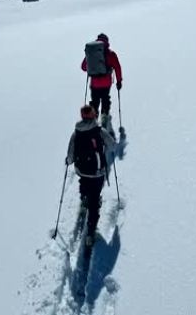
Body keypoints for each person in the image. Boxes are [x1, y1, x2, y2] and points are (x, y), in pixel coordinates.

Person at [66, 105, 117, 246]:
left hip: (81, 170)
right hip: (97, 172)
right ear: (94, 116)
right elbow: (112, 146)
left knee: (84, 183)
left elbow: (70, 154)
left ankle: (83, 200)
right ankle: (90, 232)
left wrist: (69, 161)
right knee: (95, 199)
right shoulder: (99, 131)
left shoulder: (76, 133)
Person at [81, 33, 123, 126]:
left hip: (94, 83)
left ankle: (93, 117)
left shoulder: (91, 53)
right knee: (105, 99)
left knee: (94, 101)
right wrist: (119, 81)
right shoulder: (111, 54)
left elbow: (83, 67)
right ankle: (104, 116)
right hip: (106, 83)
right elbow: (117, 67)